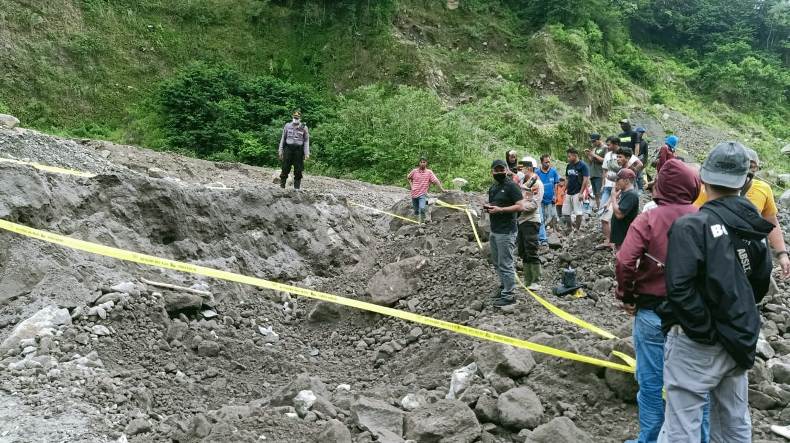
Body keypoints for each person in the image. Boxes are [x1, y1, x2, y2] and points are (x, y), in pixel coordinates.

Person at [657, 141, 773, 443]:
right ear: (745, 183)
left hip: (697, 342)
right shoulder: (756, 229)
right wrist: (730, 322)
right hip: (738, 338)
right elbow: (758, 286)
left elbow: (678, 288)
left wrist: (704, 330)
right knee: (733, 423)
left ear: (704, 180)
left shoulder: (691, 226)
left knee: (682, 424)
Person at [616, 159, 701, 443]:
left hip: (652, 312)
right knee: (695, 386)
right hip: (694, 317)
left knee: (651, 384)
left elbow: (625, 261)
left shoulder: (649, 218)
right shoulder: (704, 216)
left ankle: (650, 439)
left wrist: (627, 295)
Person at [742, 149, 790, 278]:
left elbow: (771, 222)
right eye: (746, 166)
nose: (749, 171)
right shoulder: (714, 187)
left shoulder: (763, 188)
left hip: (752, 252)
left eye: (753, 167)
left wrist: (782, 254)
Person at [484, 159, 525, 307]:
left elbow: (521, 206)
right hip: (494, 230)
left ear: (507, 170)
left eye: (502, 170)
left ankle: (509, 295)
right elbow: (496, 203)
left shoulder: (512, 186)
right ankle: (503, 288)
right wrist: (489, 207)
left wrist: (501, 210)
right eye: (497, 170)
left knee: (506, 263)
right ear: (492, 172)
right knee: (497, 262)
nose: (500, 172)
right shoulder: (493, 188)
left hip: (507, 231)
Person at [516, 160, 544, 290]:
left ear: (528, 168)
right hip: (521, 221)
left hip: (531, 220)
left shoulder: (536, 183)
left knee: (531, 249)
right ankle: (527, 280)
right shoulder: (523, 184)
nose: (520, 171)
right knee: (523, 250)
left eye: (522, 168)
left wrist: (519, 207)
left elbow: (534, 204)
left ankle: (536, 281)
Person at [279, 110, 310, 190]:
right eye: (294, 117)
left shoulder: (304, 128)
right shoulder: (287, 125)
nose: (296, 118)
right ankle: (282, 186)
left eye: (297, 117)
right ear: (292, 117)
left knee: (298, 170)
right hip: (288, 149)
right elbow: (283, 138)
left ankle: (297, 188)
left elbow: (306, 141)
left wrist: (306, 153)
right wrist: (280, 150)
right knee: (285, 168)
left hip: (298, 151)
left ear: (300, 118)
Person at [407, 157, 445, 223]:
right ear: (419, 163)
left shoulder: (429, 172)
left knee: (422, 208)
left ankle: (423, 223)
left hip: (423, 194)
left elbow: (436, 181)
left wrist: (442, 189)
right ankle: (418, 222)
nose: (422, 163)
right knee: (416, 211)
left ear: (426, 163)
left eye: (424, 162)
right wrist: (411, 186)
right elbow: (408, 177)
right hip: (414, 194)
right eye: (421, 162)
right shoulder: (414, 171)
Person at [610, 168, 640, 249]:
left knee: (623, 259)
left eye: (618, 180)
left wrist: (613, 197)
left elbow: (619, 214)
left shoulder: (631, 195)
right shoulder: (625, 193)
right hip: (621, 235)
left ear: (626, 181)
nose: (616, 182)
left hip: (624, 236)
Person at [563, 148, 590, 232]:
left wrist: (581, 193)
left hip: (578, 191)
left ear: (575, 156)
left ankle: (577, 230)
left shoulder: (583, 165)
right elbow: (567, 178)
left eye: (569, 156)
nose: (568, 158)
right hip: (569, 192)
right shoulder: (569, 165)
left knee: (578, 212)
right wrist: (564, 189)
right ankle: (569, 227)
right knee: (566, 212)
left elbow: (585, 180)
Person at [536, 154, 561, 237]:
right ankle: (542, 233)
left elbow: (556, 185)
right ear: (541, 162)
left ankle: (554, 230)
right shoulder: (537, 172)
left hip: (551, 198)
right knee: (541, 216)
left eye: (549, 162)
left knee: (554, 215)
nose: (548, 164)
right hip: (541, 199)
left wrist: (555, 195)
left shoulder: (553, 171)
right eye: (546, 162)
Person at [586, 133, 606, 210]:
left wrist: (593, 155)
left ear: (599, 140)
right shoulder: (594, 149)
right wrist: (588, 155)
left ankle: (603, 209)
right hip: (593, 173)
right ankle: (599, 209)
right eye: (592, 142)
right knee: (596, 194)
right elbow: (591, 161)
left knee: (600, 193)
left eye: (594, 141)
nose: (593, 143)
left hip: (600, 174)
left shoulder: (605, 148)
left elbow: (605, 160)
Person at [635, 127, 649, 191]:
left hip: (640, 159)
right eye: (640, 132)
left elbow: (646, 154)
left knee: (640, 175)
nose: (640, 134)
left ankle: (640, 188)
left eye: (642, 133)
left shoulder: (644, 142)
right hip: (632, 159)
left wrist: (645, 163)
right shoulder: (633, 141)